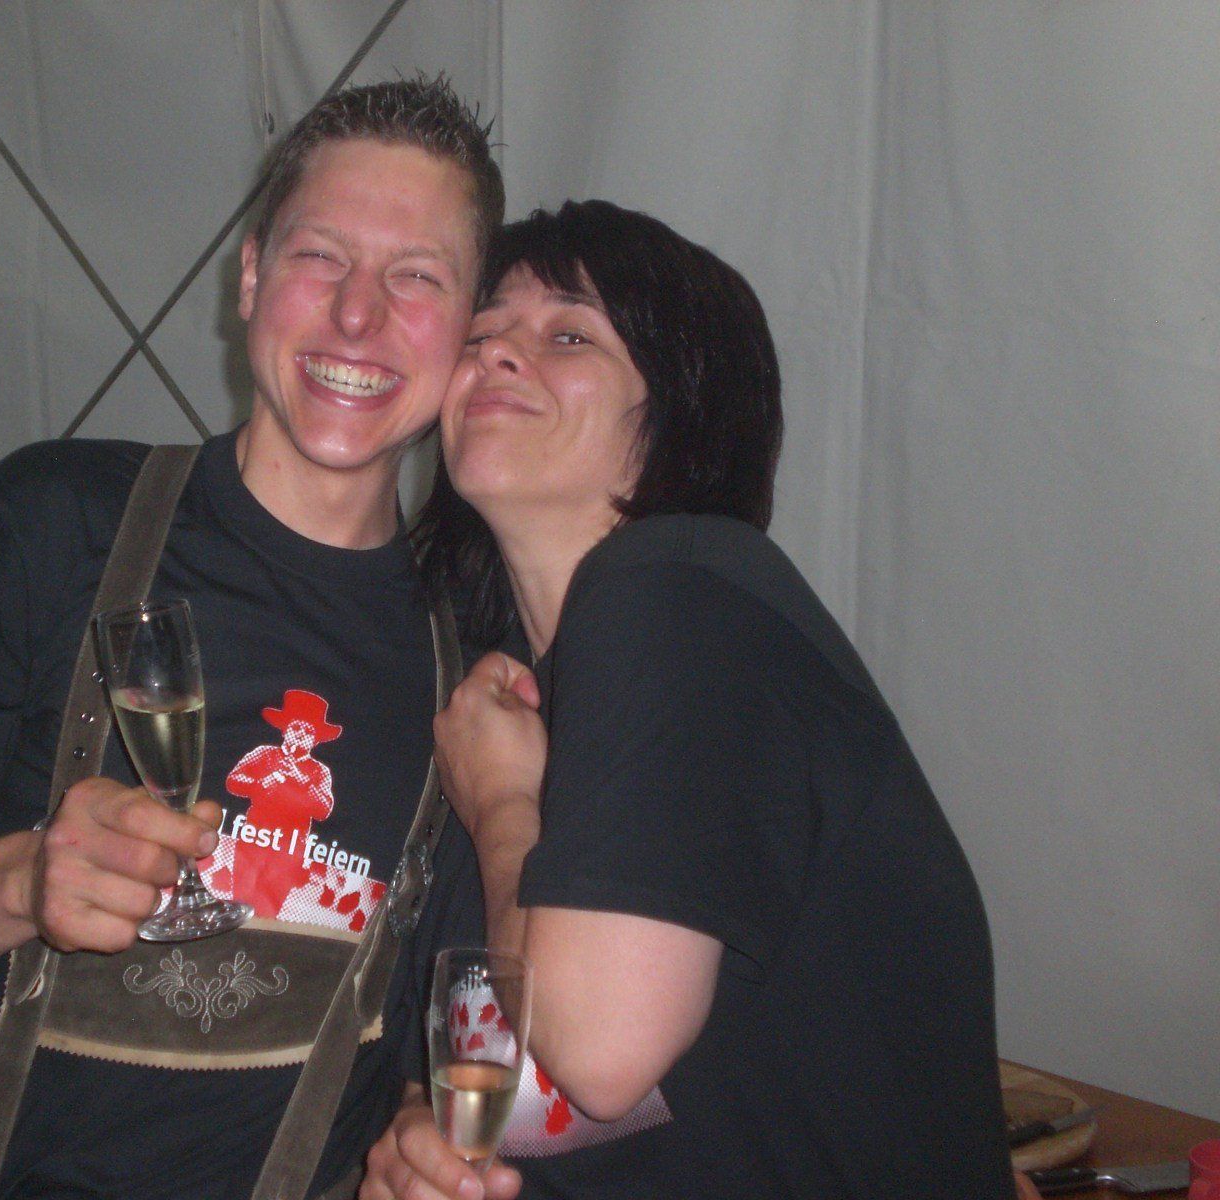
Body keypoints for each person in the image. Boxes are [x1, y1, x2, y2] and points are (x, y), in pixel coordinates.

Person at [0, 78, 503, 1199]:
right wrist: (23, 881)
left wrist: (414, 1136)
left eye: (416, 276)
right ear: (250, 277)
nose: (358, 317)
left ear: (468, 333)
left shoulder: (468, 657)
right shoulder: (58, 522)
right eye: (320, 256)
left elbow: (428, 1030)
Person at [361, 199, 1015, 1199]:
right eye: (481, 333)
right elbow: (489, 1075)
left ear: (679, 410)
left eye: (568, 335)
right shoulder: (500, 709)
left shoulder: (677, 588)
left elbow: (599, 1046)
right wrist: (421, 1142)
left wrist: (500, 806)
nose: (495, 353)